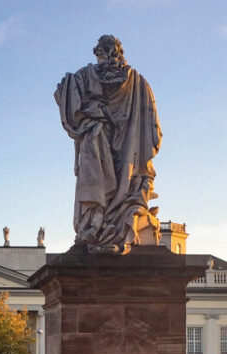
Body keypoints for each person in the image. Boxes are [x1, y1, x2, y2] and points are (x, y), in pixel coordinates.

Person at [55, 35, 162, 254]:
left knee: (104, 178)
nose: (100, 59)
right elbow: (153, 128)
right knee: (106, 177)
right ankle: (100, 222)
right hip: (114, 143)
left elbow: (66, 95)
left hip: (114, 143)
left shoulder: (91, 78)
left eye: (101, 54)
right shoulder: (137, 82)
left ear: (110, 53)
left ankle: (99, 222)